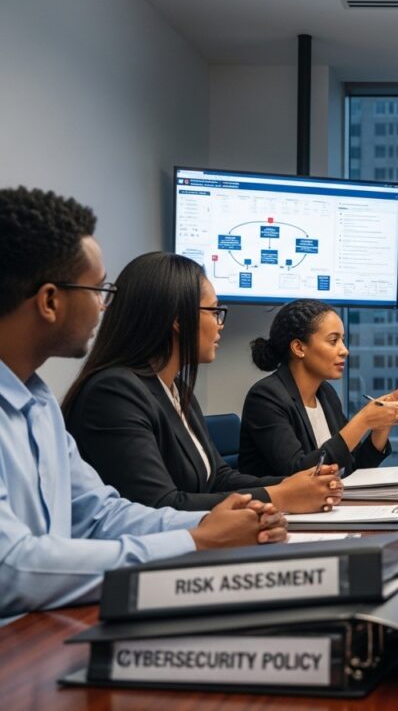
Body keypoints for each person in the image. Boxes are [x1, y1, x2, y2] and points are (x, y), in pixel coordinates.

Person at [0, 187, 285, 616]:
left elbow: (99, 516)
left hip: (39, 638)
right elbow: (12, 568)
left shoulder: (38, 405)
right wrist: (196, 540)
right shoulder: (109, 390)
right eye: (98, 290)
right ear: (50, 301)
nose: (103, 307)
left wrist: (212, 523)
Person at [63, 252, 342, 513]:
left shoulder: (176, 389)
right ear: (178, 320)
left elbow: (217, 477)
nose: (219, 324)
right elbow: (157, 504)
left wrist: (288, 486)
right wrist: (279, 496)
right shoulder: (113, 393)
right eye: (213, 311)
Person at [239, 299, 398, 478]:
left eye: (343, 340)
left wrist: (383, 422)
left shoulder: (326, 394)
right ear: (299, 347)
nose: (344, 350)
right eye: (333, 341)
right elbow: (298, 473)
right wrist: (363, 421)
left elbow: (354, 468)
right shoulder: (265, 397)